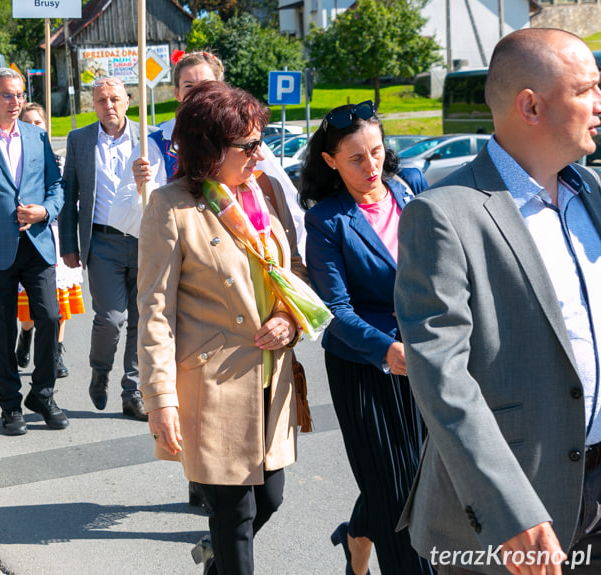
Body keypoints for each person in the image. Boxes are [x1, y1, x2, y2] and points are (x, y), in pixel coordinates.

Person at [394, 28, 601, 575]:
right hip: (514, 513)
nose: (599, 103)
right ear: (530, 106)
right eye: (586, 90)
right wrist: (508, 510)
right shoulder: (444, 213)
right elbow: (441, 377)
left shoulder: (593, 194)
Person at [140, 81, 312, 575]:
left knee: (270, 500)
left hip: (271, 381)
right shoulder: (171, 207)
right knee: (235, 515)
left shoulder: (262, 194)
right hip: (211, 387)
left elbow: (291, 275)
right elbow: (154, 310)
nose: (260, 154)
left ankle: (214, 557)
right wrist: (160, 399)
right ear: (210, 149)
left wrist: (286, 319)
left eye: (261, 142)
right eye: (249, 145)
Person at [300, 101, 432, 575]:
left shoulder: (412, 188)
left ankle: (355, 536)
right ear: (331, 161)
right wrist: (385, 349)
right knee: (396, 493)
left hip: (426, 356)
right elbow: (334, 312)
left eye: (376, 151)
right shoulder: (327, 220)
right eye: (356, 158)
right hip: (365, 368)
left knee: (419, 478)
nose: (371, 166)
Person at [0, 68, 68, 435]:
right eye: (6, 95)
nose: (15, 102)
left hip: (36, 244)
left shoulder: (37, 136)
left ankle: (43, 393)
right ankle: (10, 404)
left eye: (19, 95)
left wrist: (45, 211)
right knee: (2, 330)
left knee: (50, 317)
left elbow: (57, 186)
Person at [121, 51, 306, 257]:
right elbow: (127, 218)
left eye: (207, 85)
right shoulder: (156, 145)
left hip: (246, 248)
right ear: (177, 93)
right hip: (190, 254)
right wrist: (141, 191)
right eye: (189, 86)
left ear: (222, 88)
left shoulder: (246, 136)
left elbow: (287, 203)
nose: (198, 93)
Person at [58, 76, 153, 420]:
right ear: (93, 105)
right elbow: (69, 194)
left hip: (146, 241)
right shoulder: (80, 139)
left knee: (141, 320)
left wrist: (149, 178)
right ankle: (100, 370)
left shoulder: (148, 137)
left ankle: (132, 392)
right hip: (102, 242)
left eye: (114, 99)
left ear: (127, 100)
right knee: (111, 318)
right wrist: (69, 243)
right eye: (101, 100)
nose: (108, 106)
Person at [14, 102, 84, 378]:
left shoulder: (60, 162)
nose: (33, 127)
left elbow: (69, 196)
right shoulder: (16, 163)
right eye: (27, 122)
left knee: (59, 305)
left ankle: (56, 352)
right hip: (30, 237)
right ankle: (26, 335)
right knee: (32, 308)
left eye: (38, 122)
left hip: (56, 235)